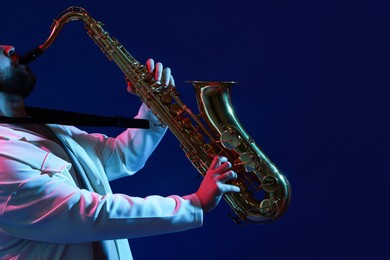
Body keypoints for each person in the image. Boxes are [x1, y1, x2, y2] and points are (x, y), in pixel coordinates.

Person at [0, 45, 241, 259]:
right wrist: (194, 205)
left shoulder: (47, 128)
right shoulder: (2, 157)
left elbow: (122, 157)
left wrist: (155, 103)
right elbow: (90, 214)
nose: (9, 47)